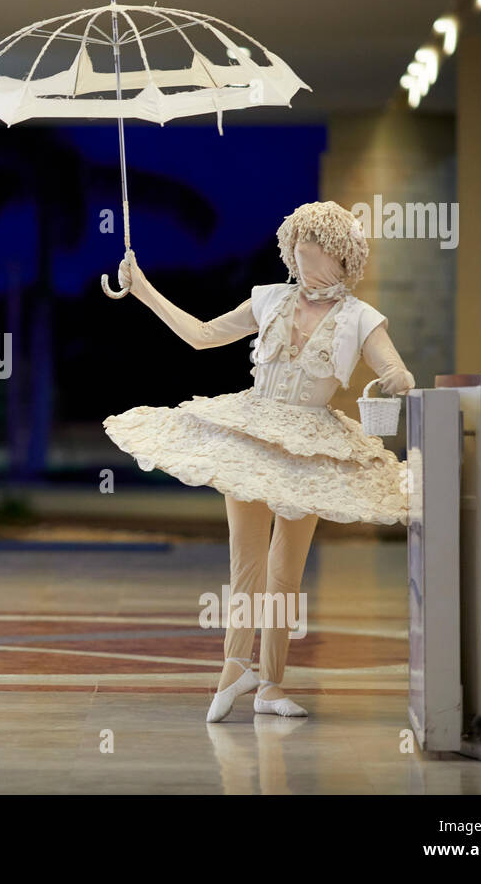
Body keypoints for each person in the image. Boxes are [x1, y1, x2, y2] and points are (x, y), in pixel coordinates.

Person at [103, 200, 415, 721]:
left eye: (310, 242)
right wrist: (143, 288)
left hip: (311, 446)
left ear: (338, 254)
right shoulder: (269, 299)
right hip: (252, 432)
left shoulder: (360, 318)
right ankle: (234, 667)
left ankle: (270, 684)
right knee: (244, 561)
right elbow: (202, 336)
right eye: (295, 240)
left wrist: (395, 380)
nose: (299, 249)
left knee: (285, 571)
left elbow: (394, 369)